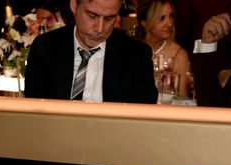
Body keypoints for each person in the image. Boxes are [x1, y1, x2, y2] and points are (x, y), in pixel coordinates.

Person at [23, 0, 158, 103]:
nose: (100, 29)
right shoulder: (46, 47)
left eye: (109, 18)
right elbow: (35, 112)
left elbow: (143, 118)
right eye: (92, 16)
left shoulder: (137, 55)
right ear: (74, 6)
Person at [137, 0, 191, 99]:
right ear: (144, 22)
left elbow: (182, 100)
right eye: (162, 18)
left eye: (171, 16)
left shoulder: (178, 55)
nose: (169, 23)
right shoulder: (132, 51)